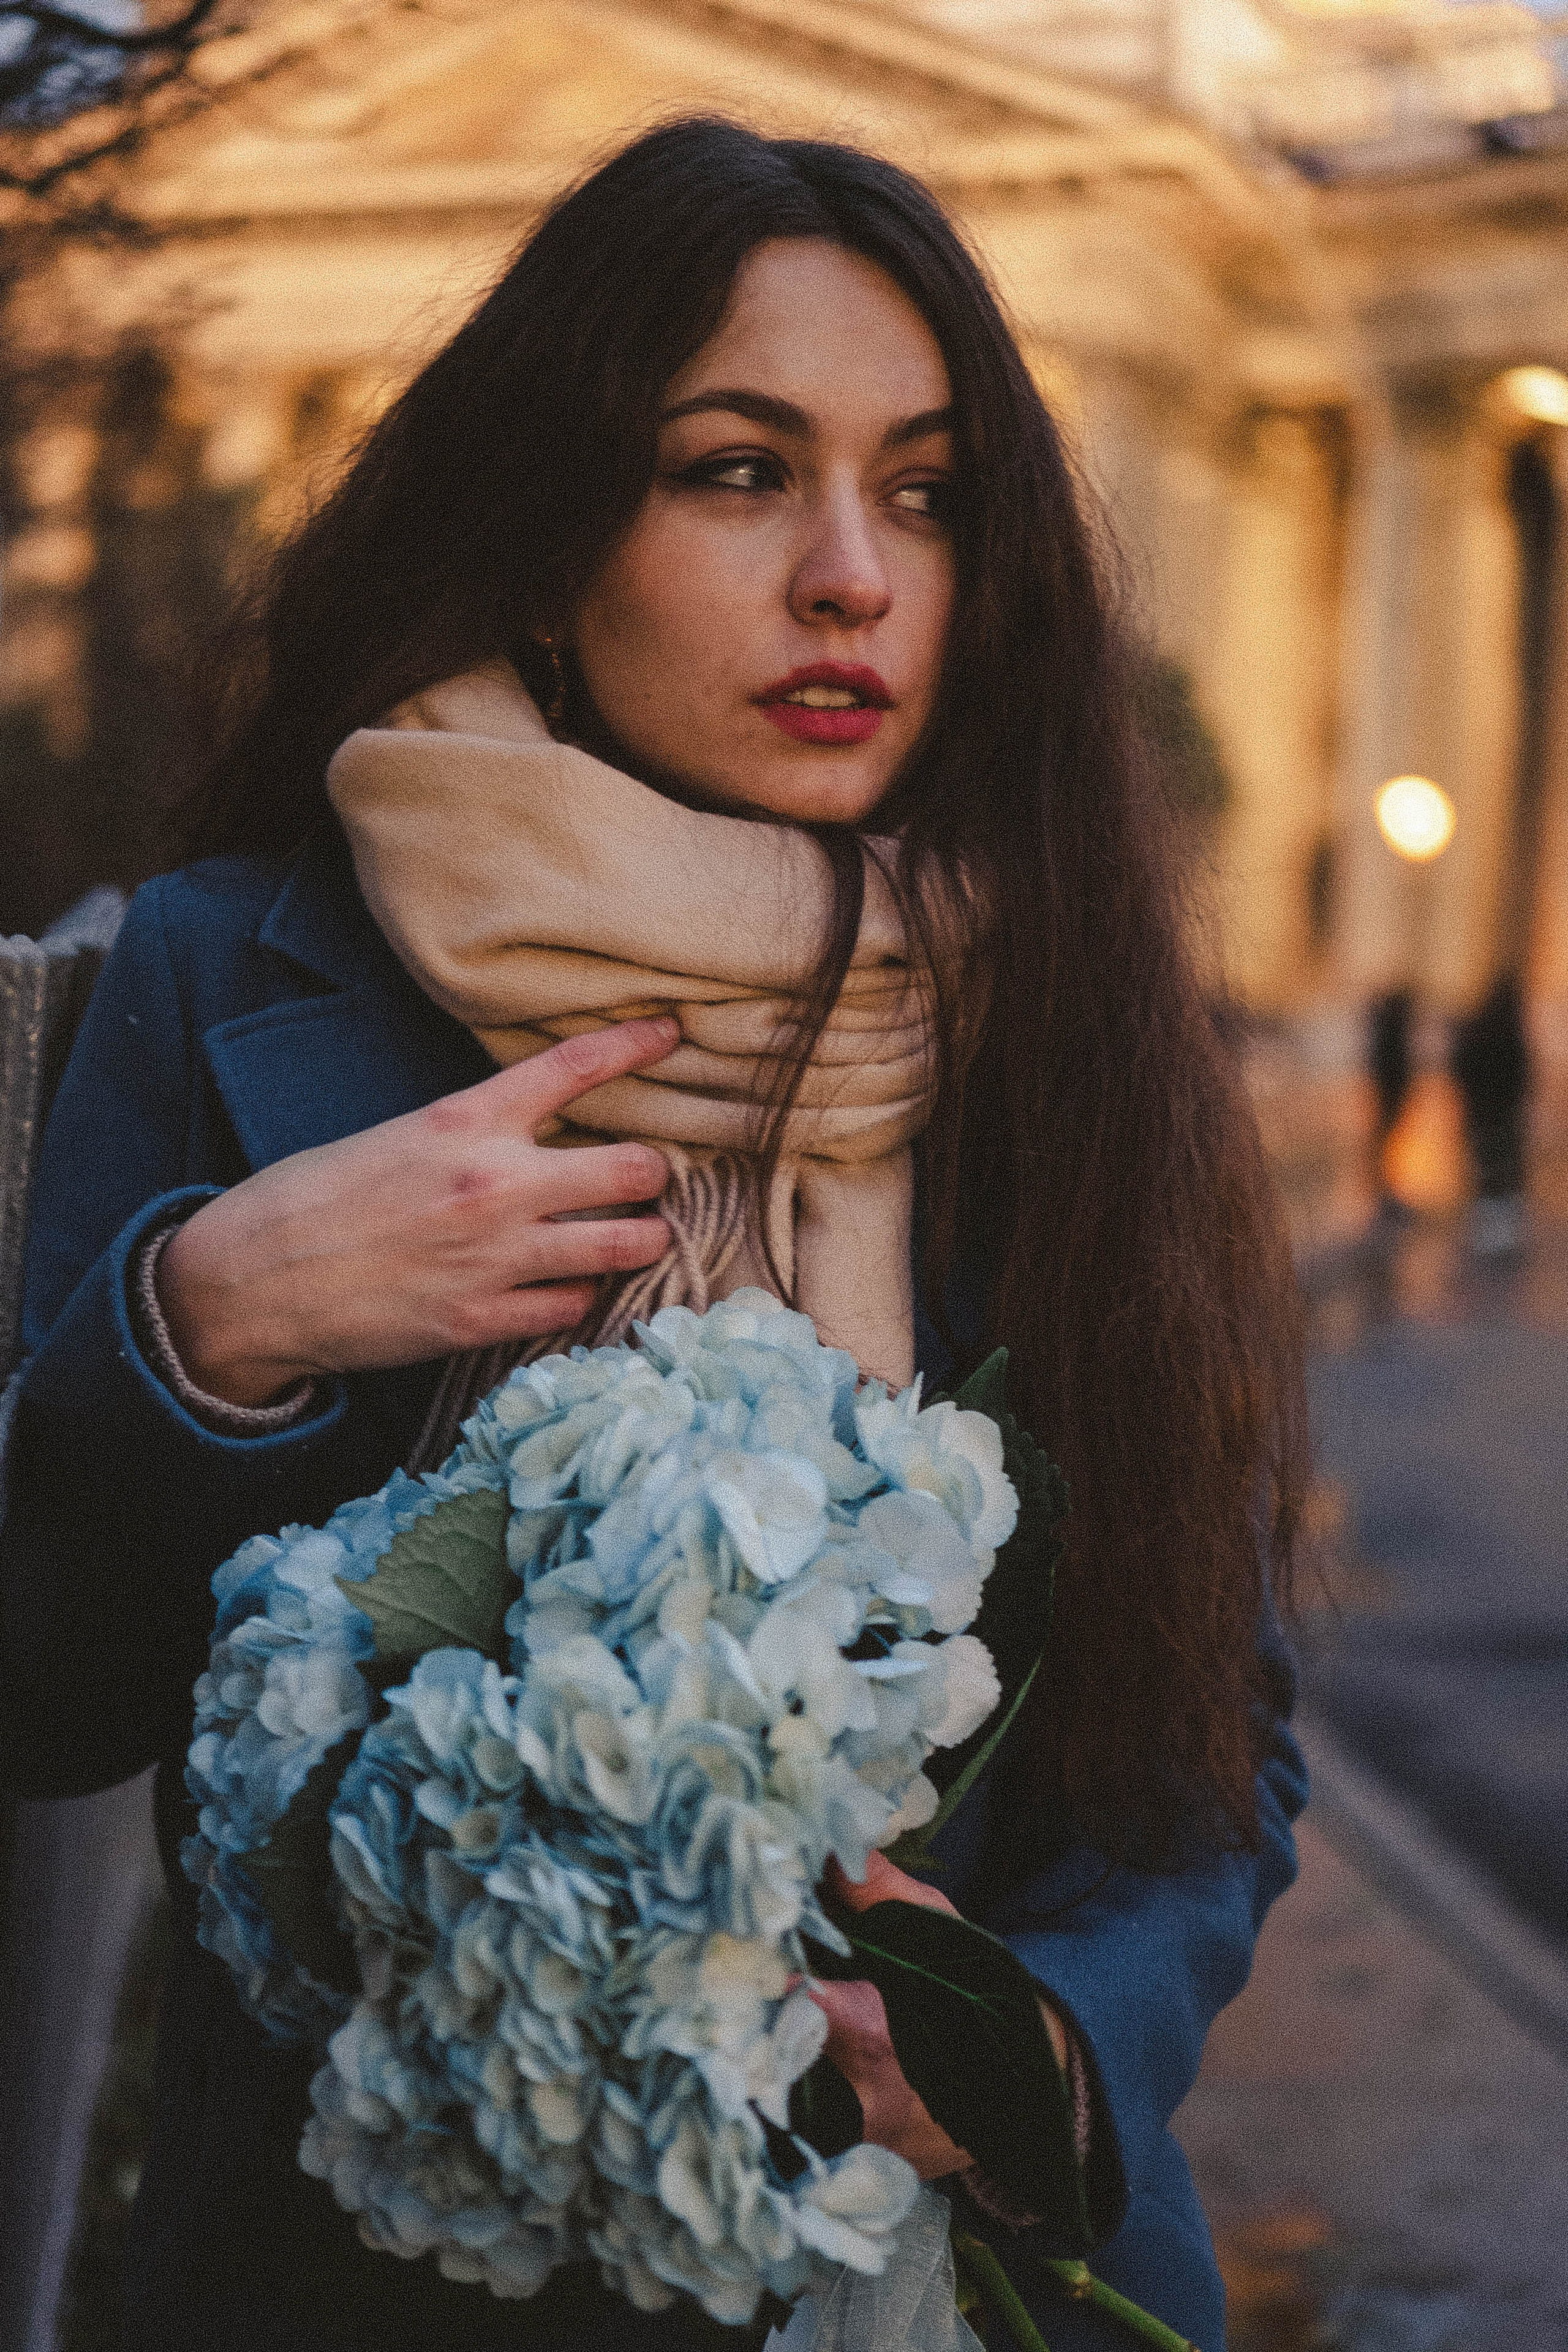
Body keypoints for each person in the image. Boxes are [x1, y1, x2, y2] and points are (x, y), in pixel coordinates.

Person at [0, 120, 1308, 2352]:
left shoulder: (1076, 1035)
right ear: (540, 543)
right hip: (359, 2286)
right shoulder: (237, 971)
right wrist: (214, 1321)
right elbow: (51, 1698)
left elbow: (1205, 1749)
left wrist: (1048, 2053)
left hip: (931, 2277)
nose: (850, 578)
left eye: (924, 491)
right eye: (736, 470)